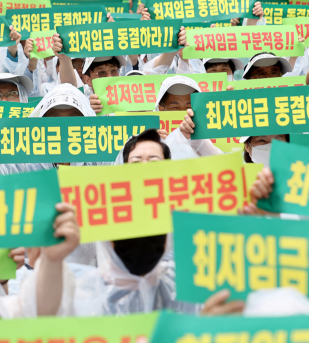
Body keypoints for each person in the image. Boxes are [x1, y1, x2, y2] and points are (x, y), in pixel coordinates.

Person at [72, 128, 243, 316]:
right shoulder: (102, 211)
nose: (145, 167)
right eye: (136, 161)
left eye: (154, 161)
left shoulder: (189, 210)